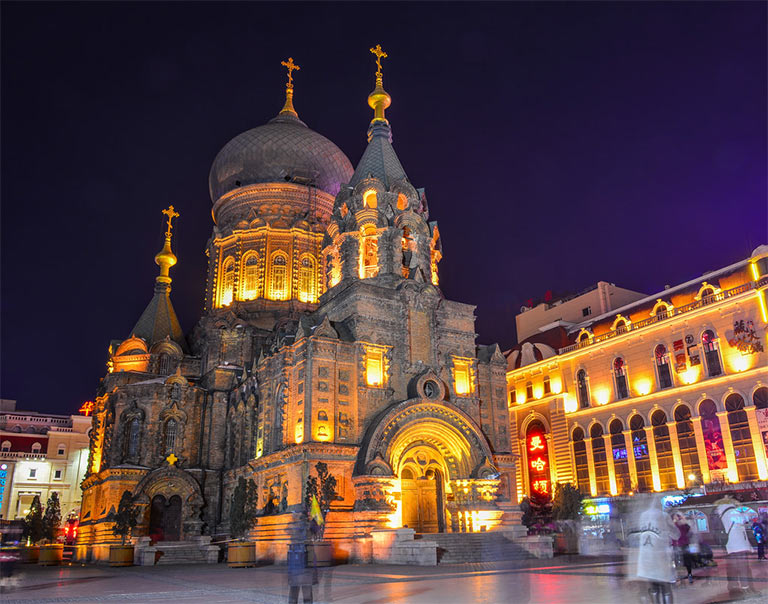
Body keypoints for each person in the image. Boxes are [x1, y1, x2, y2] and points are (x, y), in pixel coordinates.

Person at [628, 495, 679, 604]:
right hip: (661, 556)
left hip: (646, 558)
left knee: (653, 588)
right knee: (666, 588)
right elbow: (676, 534)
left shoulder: (643, 516)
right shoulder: (663, 515)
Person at [716, 498, 755, 597]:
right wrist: (748, 513)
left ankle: (734, 589)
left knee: (733, 568)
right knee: (743, 568)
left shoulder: (721, 512)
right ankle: (746, 588)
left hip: (730, 545)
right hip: (738, 544)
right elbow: (747, 517)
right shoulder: (732, 512)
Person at [672, 514, 694, 583]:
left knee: (683, 560)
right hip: (680, 544)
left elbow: (689, 532)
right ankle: (686, 575)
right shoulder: (680, 524)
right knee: (681, 561)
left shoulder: (680, 524)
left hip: (681, 544)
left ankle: (687, 575)